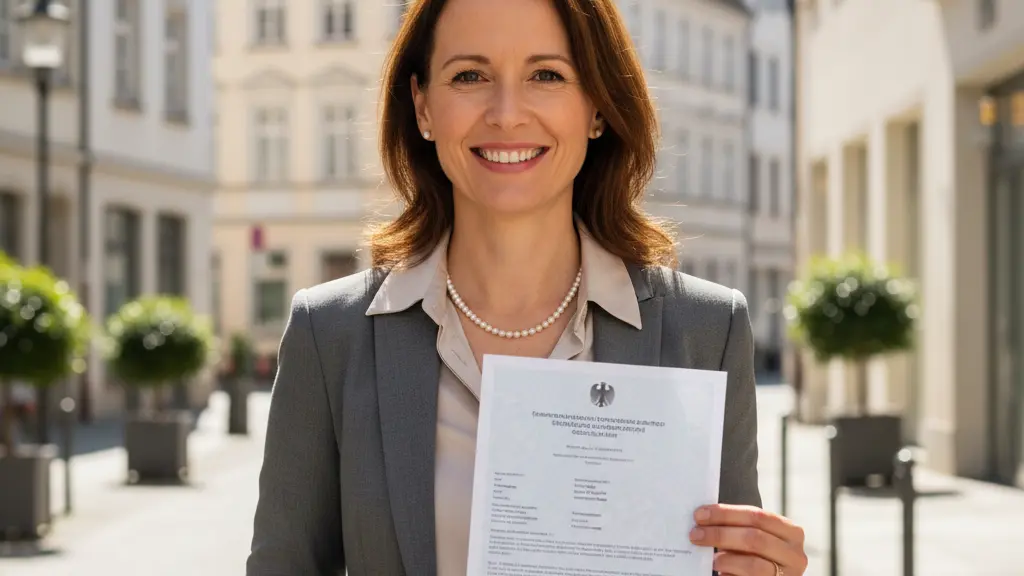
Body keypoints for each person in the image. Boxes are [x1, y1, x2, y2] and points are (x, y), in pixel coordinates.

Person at [246, 0, 809, 574]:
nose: (507, 113)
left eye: (547, 75)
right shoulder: (330, 335)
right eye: (469, 76)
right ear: (422, 107)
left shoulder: (707, 331)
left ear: (596, 106)